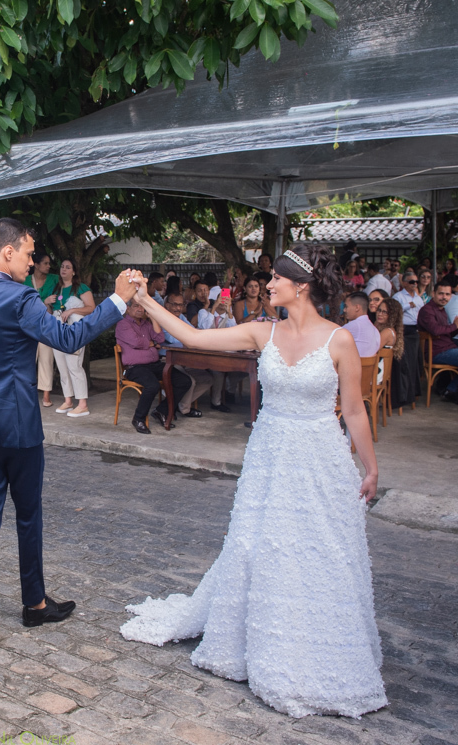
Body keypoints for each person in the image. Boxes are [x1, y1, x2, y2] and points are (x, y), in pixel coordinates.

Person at [121, 242, 386, 719]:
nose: (268, 285)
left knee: (318, 549)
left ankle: (318, 650)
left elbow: (353, 410)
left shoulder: (339, 340)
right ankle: (260, 639)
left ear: (300, 287)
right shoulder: (262, 332)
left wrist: (370, 467)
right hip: (269, 457)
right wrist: (144, 299)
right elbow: (191, 338)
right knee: (260, 545)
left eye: (277, 279)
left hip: (319, 459)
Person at [0, 218, 141, 652]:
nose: (32, 262)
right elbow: (69, 337)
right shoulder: (21, 297)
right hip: (20, 426)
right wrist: (117, 302)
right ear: (7, 252)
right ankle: (33, 605)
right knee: (28, 515)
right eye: (28, 253)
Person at [116, 301, 193, 432]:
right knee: (152, 385)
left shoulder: (146, 324)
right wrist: (151, 343)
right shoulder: (123, 324)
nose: (140, 309)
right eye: (136, 306)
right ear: (127, 308)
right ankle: (138, 418)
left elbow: (160, 338)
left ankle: (161, 411)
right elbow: (136, 342)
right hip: (135, 368)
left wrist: (153, 318)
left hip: (154, 365)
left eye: (142, 306)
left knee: (184, 381)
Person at [48, 258, 95, 417]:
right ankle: (68, 400)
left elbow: (91, 308)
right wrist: (47, 302)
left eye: (68, 267)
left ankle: (82, 404)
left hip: (74, 330)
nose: (64, 269)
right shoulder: (57, 288)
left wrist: (72, 310)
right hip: (57, 328)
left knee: (74, 365)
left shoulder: (81, 288)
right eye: (62, 266)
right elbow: (50, 312)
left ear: (74, 271)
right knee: (62, 366)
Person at [161, 293, 214, 418]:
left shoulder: (181, 318)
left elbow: (192, 333)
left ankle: (179, 403)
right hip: (168, 360)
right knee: (190, 381)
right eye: (175, 304)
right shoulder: (162, 318)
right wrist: (189, 338)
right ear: (167, 305)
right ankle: (184, 408)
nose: (178, 308)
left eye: (181, 305)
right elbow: (171, 339)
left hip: (185, 359)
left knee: (208, 379)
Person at [23, 252, 60, 407]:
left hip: (46, 323)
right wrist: (44, 303)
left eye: (49, 263)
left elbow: (60, 297)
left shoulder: (54, 279)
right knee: (28, 359)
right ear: (36, 265)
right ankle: (27, 393)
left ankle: (46, 395)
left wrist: (52, 304)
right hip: (29, 325)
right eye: (45, 263)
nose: (48, 266)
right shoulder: (25, 281)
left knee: (46, 358)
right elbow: (23, 303)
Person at [391, 274, 423, 407]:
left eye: (416, 282)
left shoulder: (418, 297)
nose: (414, 284)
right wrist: (407, 305)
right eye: (411, 282)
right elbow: (394, 311)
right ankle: (403, 395)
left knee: (415, 363)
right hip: (403, 330)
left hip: (415, 331)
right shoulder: (398, 297)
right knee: (404, 363)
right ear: (404, 283)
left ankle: (412, 393)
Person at [341, 292, 381, 358]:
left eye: (346, 306)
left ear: (357, 307)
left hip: (353, 367)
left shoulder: (355, 325)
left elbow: (332, 338)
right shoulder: (374, 329)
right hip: (368, 367)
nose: (344, 310)